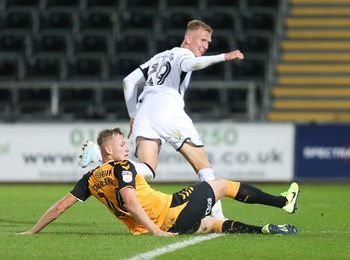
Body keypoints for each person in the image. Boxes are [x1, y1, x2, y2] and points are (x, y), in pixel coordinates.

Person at [78, 19, 245, 220]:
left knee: (147, 171)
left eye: (208, 42)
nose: (205, 45)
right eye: (202, 40)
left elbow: (128, 81)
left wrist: (132, 115)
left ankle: (98, 156)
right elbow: (191, 64)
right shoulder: (183, 54)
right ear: (188, 38)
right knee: (204, 167)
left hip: (144, 111)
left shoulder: (158, 57)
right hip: (167, 108)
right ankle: (220, 219)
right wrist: (224, 57)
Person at [20, 128, 300, 236]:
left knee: (213, 224)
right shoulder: (122, 167)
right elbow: (130, 201)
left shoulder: (90, 179)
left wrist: (32, 232)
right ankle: (283, 202)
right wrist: (157, 231)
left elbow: (60, 207)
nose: (127, 148)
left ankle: (265, 230)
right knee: (221, 185)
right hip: (171, 213)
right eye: (121, 144)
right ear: (109, 151)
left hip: (167, 221)